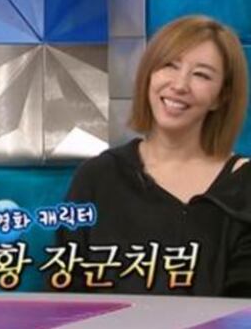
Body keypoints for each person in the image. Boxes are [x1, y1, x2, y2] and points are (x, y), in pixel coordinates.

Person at [55, 15, 251, 297]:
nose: (179, 85)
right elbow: (64, 294)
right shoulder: (98, 177)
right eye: (170, 65)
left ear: (221, 96)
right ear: (149, 74)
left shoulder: (244, 188)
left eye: (201, 75)